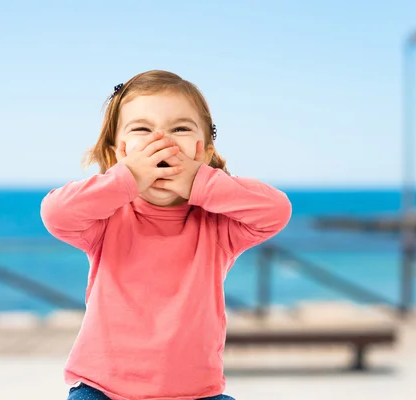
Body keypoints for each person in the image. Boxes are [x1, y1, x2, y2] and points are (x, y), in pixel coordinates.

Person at [41, 70, 292, 400]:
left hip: (198, 394)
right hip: (103, 391)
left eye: (180, 129)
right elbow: (55, 213)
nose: (162, 142)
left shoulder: (217, 226)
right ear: (120, 152)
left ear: (202, 152)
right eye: (143, 130)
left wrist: (200, 182)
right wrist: (126, 179)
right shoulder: (107, 219)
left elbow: (276, 210)